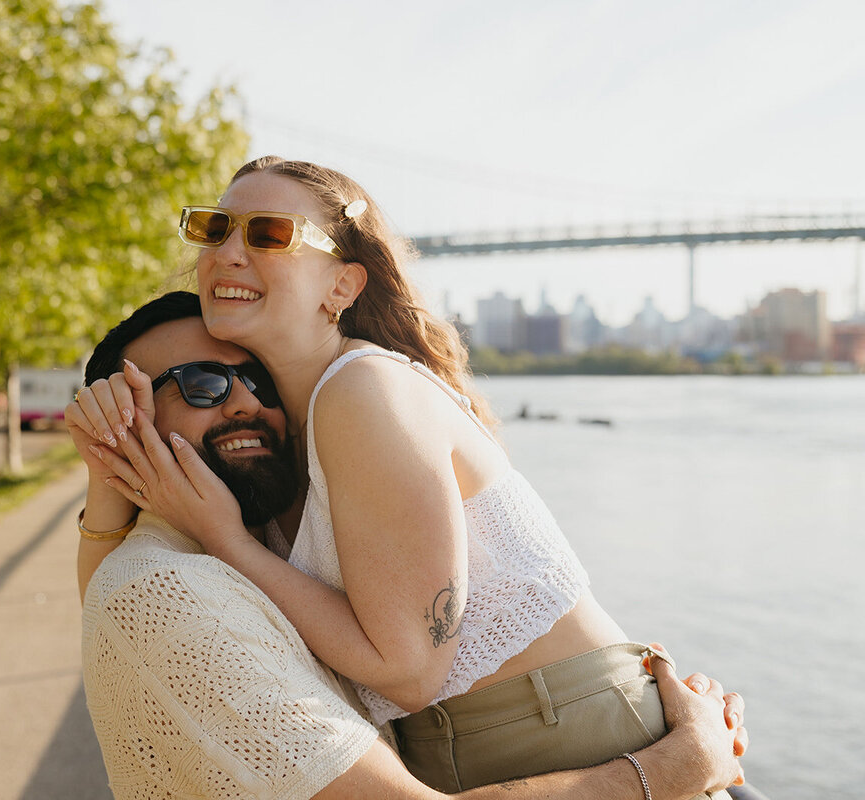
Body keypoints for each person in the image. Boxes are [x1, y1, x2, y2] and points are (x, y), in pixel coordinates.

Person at [85, 158, 748, 797]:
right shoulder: (289, 429)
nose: (227, 252)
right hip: (506, 751)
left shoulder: (361, 390)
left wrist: (231, 542)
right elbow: (127, 604)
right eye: (214, 228)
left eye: (268, 234)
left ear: (341, 287)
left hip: (578, 739)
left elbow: (407, 670)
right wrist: (107, 458)